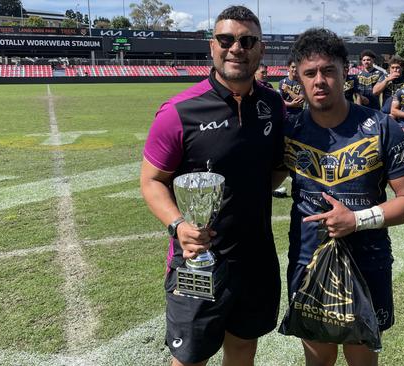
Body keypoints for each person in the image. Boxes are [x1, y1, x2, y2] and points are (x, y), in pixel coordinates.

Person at [139, 6, 284, 366]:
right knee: (190, 359)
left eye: (247, 40)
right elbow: (152, 181)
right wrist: (179, 225)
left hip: (255, 259)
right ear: (212, 46)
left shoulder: (274, 104)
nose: (237, 48)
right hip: (196, 264)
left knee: (242, 350)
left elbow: (277, 168)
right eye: (227, 39)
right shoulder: (178, 112)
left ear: (261, 51)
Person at [281, 27, 404, 366]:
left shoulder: (381, 126)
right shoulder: (289, 131)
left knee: (362, 360)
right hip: (308, 260)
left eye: (328, 71)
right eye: (310, 73)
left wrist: (357, 220)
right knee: (319, 360)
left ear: (345, 72)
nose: (320, 81)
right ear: (298, 78)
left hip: (368, 259)